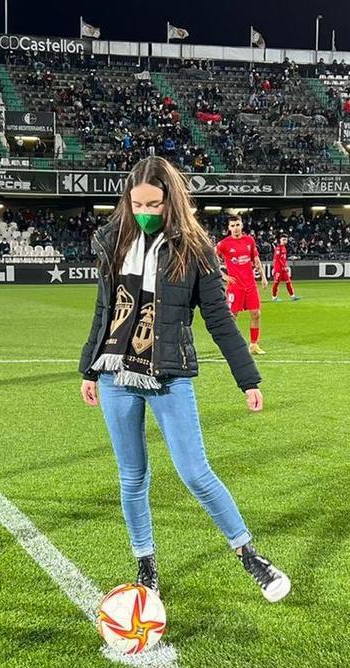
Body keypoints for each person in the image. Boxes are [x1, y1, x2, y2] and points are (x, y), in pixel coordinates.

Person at [78, 157, 290, 603]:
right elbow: (104, 310)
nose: (144, 212)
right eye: (136, 203)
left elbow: (218, 319)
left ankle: (249, 554)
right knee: (132, 477)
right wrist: (89, 367)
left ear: (171, 201)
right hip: (116, 374)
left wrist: (247, 378)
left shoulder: (196, 250)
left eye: (154, 204)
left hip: (168, 375)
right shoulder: (113, 241)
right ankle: (146, 564)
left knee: (196, 472)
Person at [216, 215, 267, 355]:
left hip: (250, 285)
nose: (235, 228)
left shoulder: (249, 240)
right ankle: (231, 345)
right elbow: (210, 261)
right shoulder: (224, 244)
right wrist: (224, 276)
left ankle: (254, 345)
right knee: (232, 317)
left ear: (242, 225)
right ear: (228, 228)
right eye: (232, 226)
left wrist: (263, 277)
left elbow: (256, 259)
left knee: (256, 314)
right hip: (235, 287)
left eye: (237, 225)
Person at [270, 234, 298, 302]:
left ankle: (292, 296)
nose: (285, 241)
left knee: (288, 282)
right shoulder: (278, 248)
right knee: (276, 283)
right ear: (280, 240)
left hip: (283, 269)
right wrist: (284, 266)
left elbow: (283, 259)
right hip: (278, 269)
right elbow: (278, 259)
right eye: (283, 239)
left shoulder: (284, 247)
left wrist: (286, 266)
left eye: (286, 240)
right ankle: (274, 297)